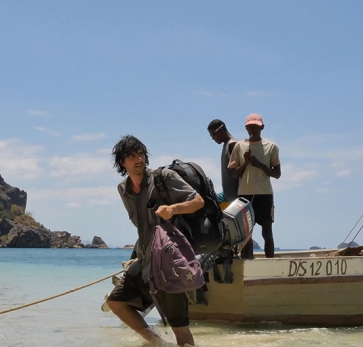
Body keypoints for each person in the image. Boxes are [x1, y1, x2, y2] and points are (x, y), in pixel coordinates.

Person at [106, 135, 204, 346]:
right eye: (132, 156)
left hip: (169, 265)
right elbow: (142, 228)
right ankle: (157, 342)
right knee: (116, 302)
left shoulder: (163, 178)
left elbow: (198, 201)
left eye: (141, 154)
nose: (139, 159)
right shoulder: (123, 190)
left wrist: (173, 209)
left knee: (180, 327)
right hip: (145, 262)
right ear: (122, 162)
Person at [227, 113, 281, 259]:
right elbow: (234, 174)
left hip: (264, 195)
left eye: (256, 126)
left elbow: (277, 174)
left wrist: (259, 165)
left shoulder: (271, 147)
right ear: (246, 127)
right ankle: (247, 264)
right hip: (245, 194)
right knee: (246, 235)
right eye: (250, 126)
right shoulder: (239, 146)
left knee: (267, 231)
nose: (253, 129)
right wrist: (245, 163)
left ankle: (271, 264)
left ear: (262, 127)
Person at [207, 119, 239, 204]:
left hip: (236, 196)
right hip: (227, 194)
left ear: (220, 129)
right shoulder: (226, 144)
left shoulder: (232, 144)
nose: (213, 138)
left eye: (213, 134)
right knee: (207, 202)